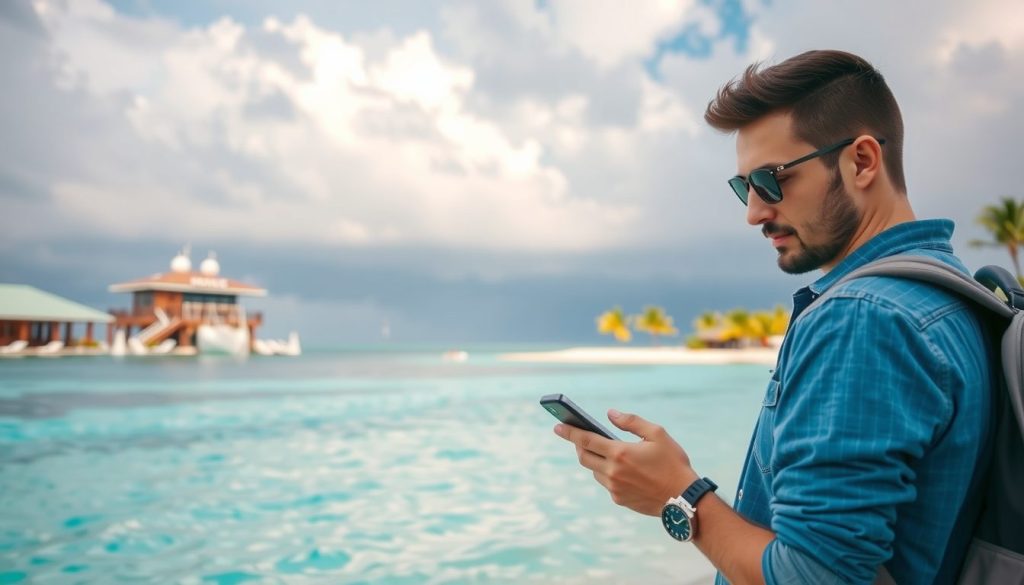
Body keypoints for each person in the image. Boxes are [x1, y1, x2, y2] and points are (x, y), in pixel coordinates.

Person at [554, 50, 993, 585]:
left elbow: (814, 576)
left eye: (771, 179)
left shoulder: (863, 320)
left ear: (861, 161)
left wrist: (680, 496)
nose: (754, 212)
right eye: (745, 187)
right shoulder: (956, 295)